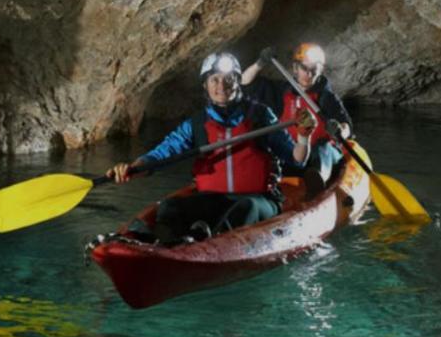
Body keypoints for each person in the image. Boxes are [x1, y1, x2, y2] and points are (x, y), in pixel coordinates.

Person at [105, 51, 314, 245]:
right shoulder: (196, 124)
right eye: (214, 79)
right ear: (205, 85)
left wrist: (304, 137)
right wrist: (132, 169)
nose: (221, 85)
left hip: (260, 200)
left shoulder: (261, 115)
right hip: (213, 199)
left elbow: (297, 159)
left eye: (228, 79)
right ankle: (164, 241)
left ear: (237, 82)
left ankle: (204, 241)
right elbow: (162, 154)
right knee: (170, 206)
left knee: (246, 208)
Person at [241, 42, 353, 189]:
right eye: (304, 68)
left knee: (322, 147)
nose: (309, 74)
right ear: (295, 68)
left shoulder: (326, 96)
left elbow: (347, 126)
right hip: (293, 153)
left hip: (320, 155)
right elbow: (244, 83)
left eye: (314, 70)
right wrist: (260, 63)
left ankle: (316, 181)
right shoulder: (281, 91)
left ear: (320, 71)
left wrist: (340, 130)